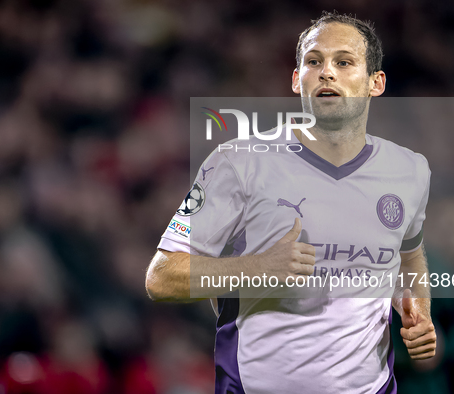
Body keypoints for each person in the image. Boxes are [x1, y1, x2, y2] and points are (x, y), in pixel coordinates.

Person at [146, 11, 437, 394]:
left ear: (375, 83)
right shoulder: (238, 161)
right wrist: (257, 267)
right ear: (297, 79)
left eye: (344, 62)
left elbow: (408, 254)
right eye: (314, 62)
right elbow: (161, 277)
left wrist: (417, 308)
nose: (327, 72)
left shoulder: (410, 170)